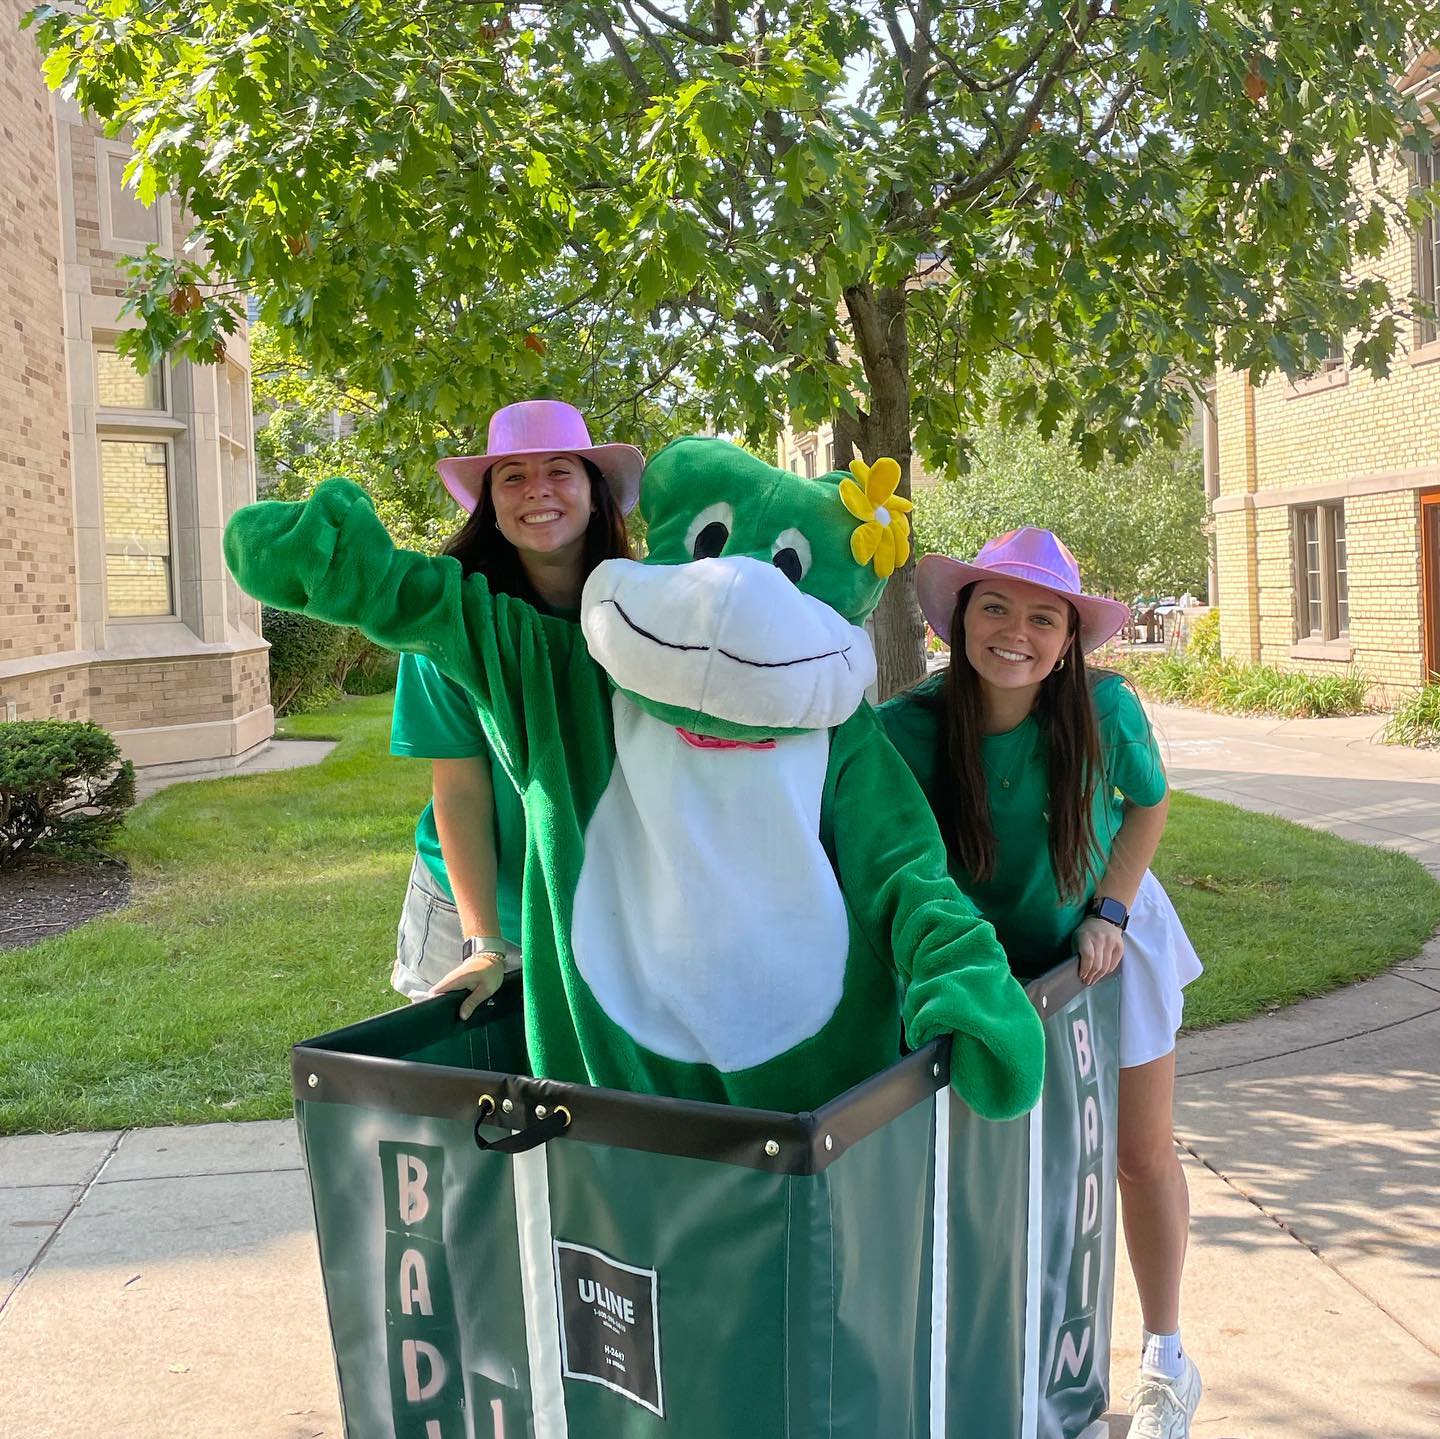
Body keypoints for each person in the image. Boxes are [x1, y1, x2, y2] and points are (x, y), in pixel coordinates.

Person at [878, 528, 1204, 1439]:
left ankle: (1168, 1360)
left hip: (1107, 941)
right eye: (995, 606)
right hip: (991, 972)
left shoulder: (1106, 710)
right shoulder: (907, 727)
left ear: (1068, 638)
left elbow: (1149, 803)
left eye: (1042, 616)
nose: (1014, 632)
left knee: (1135, 1154)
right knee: (1003, 1176)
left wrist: (1112, 908)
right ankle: (1006, 1372)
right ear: (958, 620)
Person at [390, 399, 641, 1019]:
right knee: (452, 1096)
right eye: (512, 476)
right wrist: (484, 944)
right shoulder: (449, 623)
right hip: (472, 909)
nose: (538, 491)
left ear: (593, 490)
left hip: (600, 901)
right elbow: (461, 792)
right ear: (491, 504)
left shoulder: (648, 614)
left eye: (560, 470)